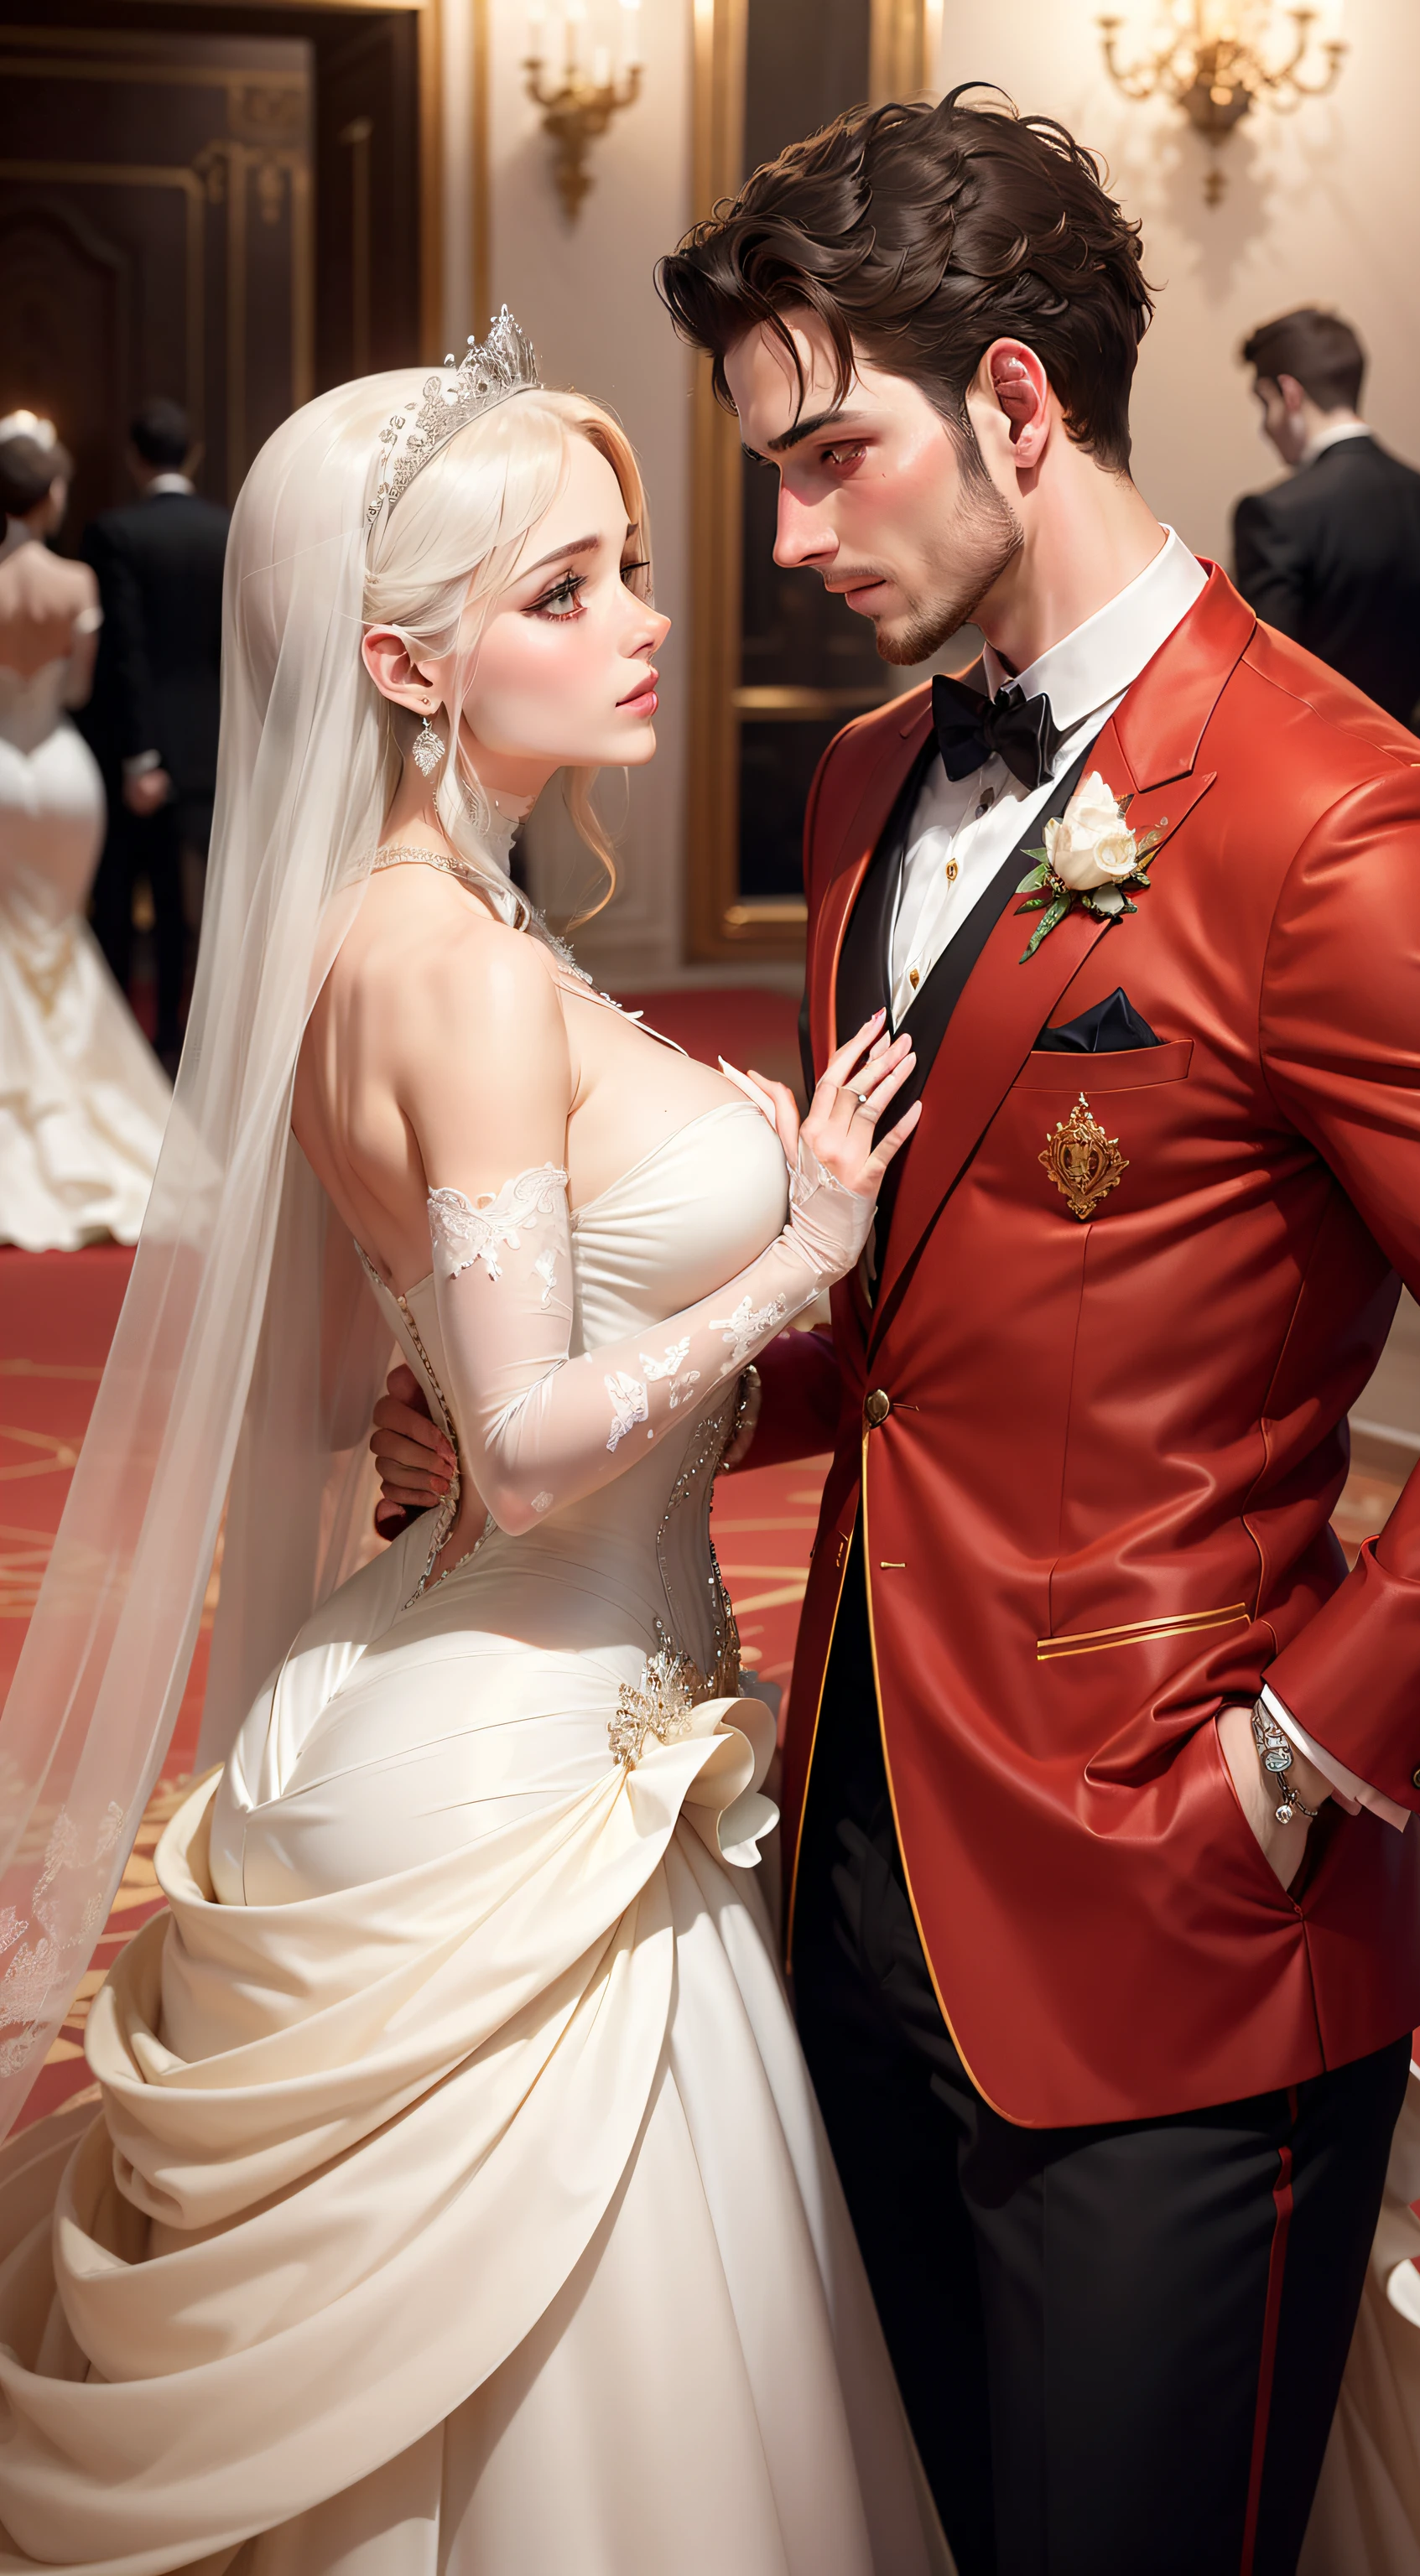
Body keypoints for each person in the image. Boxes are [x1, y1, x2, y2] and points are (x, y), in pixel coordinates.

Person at [623, 93, 1420, 2575]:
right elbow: (904, 1320)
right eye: (762, 473)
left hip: (1190, 1920)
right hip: (858, 1853)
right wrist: (580, 1424)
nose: (787, 539)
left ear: (1014, 403)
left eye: (829, 456)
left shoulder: (1352, 828)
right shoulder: (865, 780)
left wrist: (1301, 1761)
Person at [0, 316, 950, 2571]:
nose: (644, 625)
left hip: (477, 1704)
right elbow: (525, 1453)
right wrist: (797, 1251)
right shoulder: (455, 972)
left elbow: (401, 1393)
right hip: (524, 1777)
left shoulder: (405, 933)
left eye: (626, 572)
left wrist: (459, 1388)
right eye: (566, 591)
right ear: (402, 664)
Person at [0, 413, 172, 1249]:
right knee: (58, 940)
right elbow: (75, 692)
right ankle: (80, 1116)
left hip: (0, 770)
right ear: (52, 495)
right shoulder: (75, 581)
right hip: (63, 776)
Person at [1233, 305, 1420, 757]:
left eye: (1264, 404)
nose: (1265, 428)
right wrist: (1400, 767)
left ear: (1290, 394)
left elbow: (1269, 690)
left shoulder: (1276, 514)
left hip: (1312, 788)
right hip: (1415, 781)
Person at [80, 397, 230, 1070]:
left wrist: (139, 752)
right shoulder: (226, 529)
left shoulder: (115, 531)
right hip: (213, 742)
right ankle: (185, 1035)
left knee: (129, 899)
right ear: (191, 454)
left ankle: (129, 1043)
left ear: (134, 457)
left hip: (142, 751)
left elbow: (127, 653)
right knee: (202, 904)